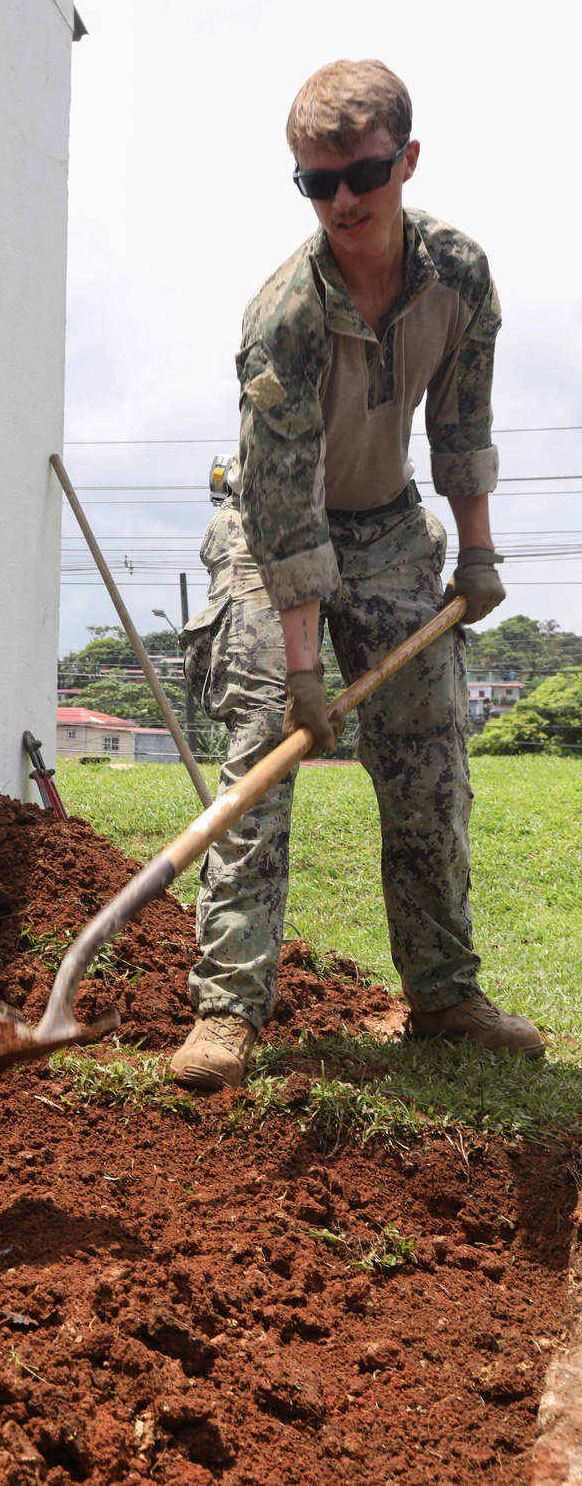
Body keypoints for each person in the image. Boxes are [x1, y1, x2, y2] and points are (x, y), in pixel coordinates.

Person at [170, 59, 544, 1092]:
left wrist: (473, 552)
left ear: (405, 162)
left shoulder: (459, 276)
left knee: (426, 756)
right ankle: (226, 1011)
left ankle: (443, 997)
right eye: (314, 183)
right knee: (262, 758)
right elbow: (284, 512)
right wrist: (302, 679)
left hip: (384, 524)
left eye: (361, 176)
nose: (340, 201)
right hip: (266, 536)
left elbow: (460, 423)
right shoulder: (283, 319)